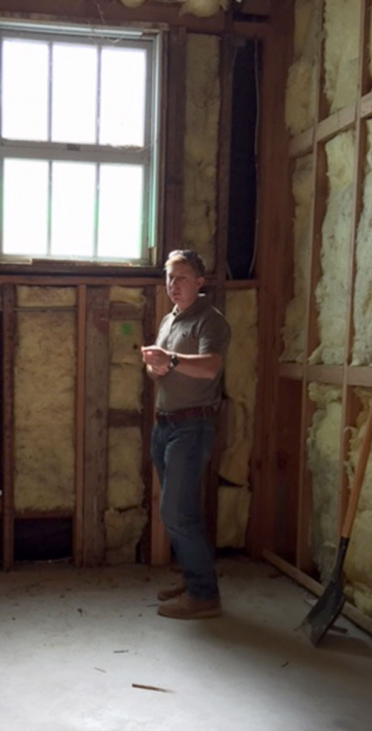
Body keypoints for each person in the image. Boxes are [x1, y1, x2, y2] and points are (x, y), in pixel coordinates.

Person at [141, 249, 230, 619]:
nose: (172, 285)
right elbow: (159, 370)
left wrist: (171, 360)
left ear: (199, 282)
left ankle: (204, 594)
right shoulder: (169, 319)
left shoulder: (210, 321)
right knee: (181, 511)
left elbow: (210, 368)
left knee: (175, 511)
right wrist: (155, 368)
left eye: (180, 278)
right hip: (165, 424)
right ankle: (194, 578)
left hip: (192, 425)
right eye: (169, 277)